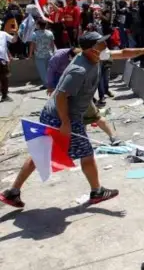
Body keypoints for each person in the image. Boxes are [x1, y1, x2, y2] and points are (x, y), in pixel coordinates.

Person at [0, 32, 118, 208]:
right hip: (64, 116)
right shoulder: (79, 70)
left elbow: (122, 53)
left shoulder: (90, 56)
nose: (105, 46)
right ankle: (97, 191)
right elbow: (61, 96)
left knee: (40, 153)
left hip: (53, 114)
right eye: (101, 43)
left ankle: (12, 192)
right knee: (86, 154)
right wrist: (65, 122)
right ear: (92, 49)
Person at [28, 19, 56, 89]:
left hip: (39, 55)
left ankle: (46, 84)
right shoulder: (50, 33)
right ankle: (51, 83)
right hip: (49, 54)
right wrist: (53, 52)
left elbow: (32, 45)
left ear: (38, 25)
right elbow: (52, 44)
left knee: (42, 71)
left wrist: (30, 54)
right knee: (48, 70)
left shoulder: (35, 34)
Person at [0, 27, 19, 102]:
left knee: (4, 77)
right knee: (4, 78)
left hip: (2, 59)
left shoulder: (3, 33)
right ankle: (4, 95)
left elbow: (13, 40)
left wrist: (15, 33)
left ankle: (4, 96)